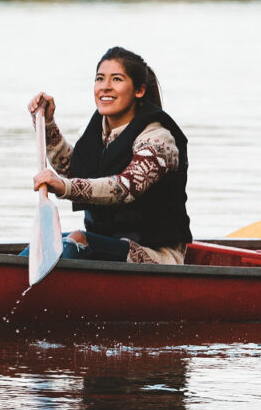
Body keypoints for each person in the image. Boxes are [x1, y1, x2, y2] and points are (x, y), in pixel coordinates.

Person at [27, 47, 191, 264]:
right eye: (100, 79)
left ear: (139, 90)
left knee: (77, 240)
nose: (105, 86)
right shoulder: (100, 130)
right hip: (107, 244)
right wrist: (46, 124)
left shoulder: (158, 138)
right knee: (50, 240)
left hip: (156, 255)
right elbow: (73, 171)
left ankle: (13, 288)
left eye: (116, 79)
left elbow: (126, 187)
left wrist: (65, 187)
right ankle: (11, 280)